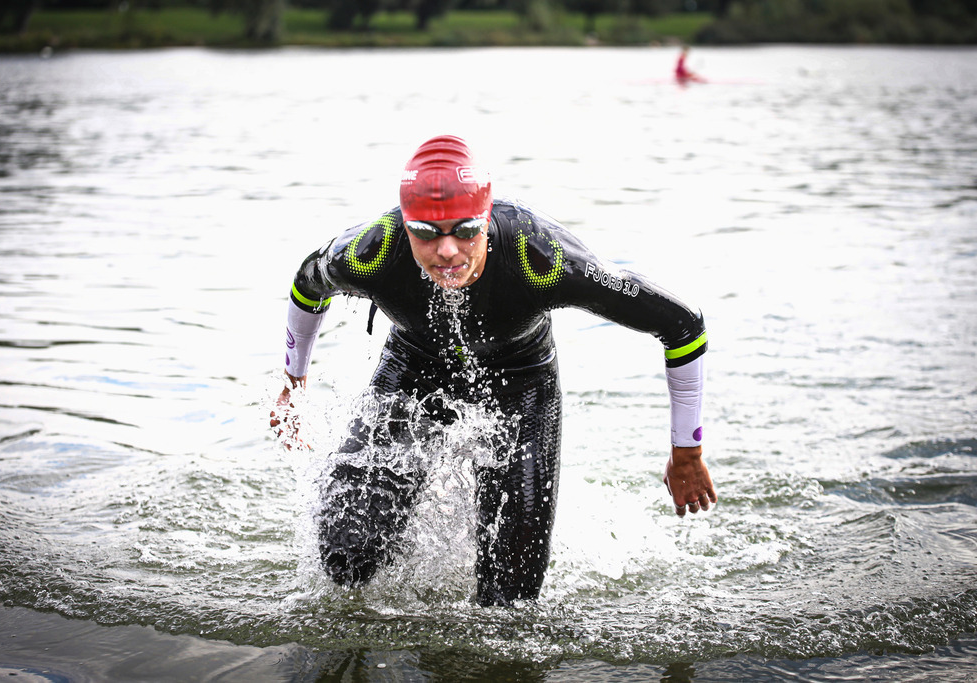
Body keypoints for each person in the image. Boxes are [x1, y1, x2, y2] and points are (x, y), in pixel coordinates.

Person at [271, 135, 716, 606]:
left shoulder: (539, 257)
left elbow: (683, 325)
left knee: (510, 600)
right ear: (405, 225)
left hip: (521, 384)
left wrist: (686, 452)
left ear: (486, 220)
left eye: (465, 231)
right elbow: (307, 283)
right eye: (426, 232)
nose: (446, 251)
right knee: (346, 558)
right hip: (413, 370)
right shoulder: (372, 252)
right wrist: (293, 384)